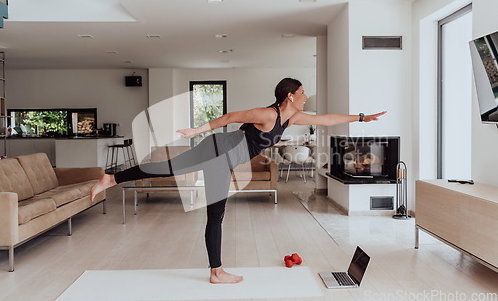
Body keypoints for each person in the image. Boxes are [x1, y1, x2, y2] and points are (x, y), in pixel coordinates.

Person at [90, 77, 386, 284]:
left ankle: (111, 178)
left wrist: (361, 118)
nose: (306, 96)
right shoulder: (267, 114)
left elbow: (326, 119)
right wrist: (197, 130)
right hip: (218, 153)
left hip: (221, 154)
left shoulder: (291, 118)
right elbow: (231, 116)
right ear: (290, 96)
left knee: (167, 170)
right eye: (303, 91)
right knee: (211, 211)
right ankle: (216, 272)